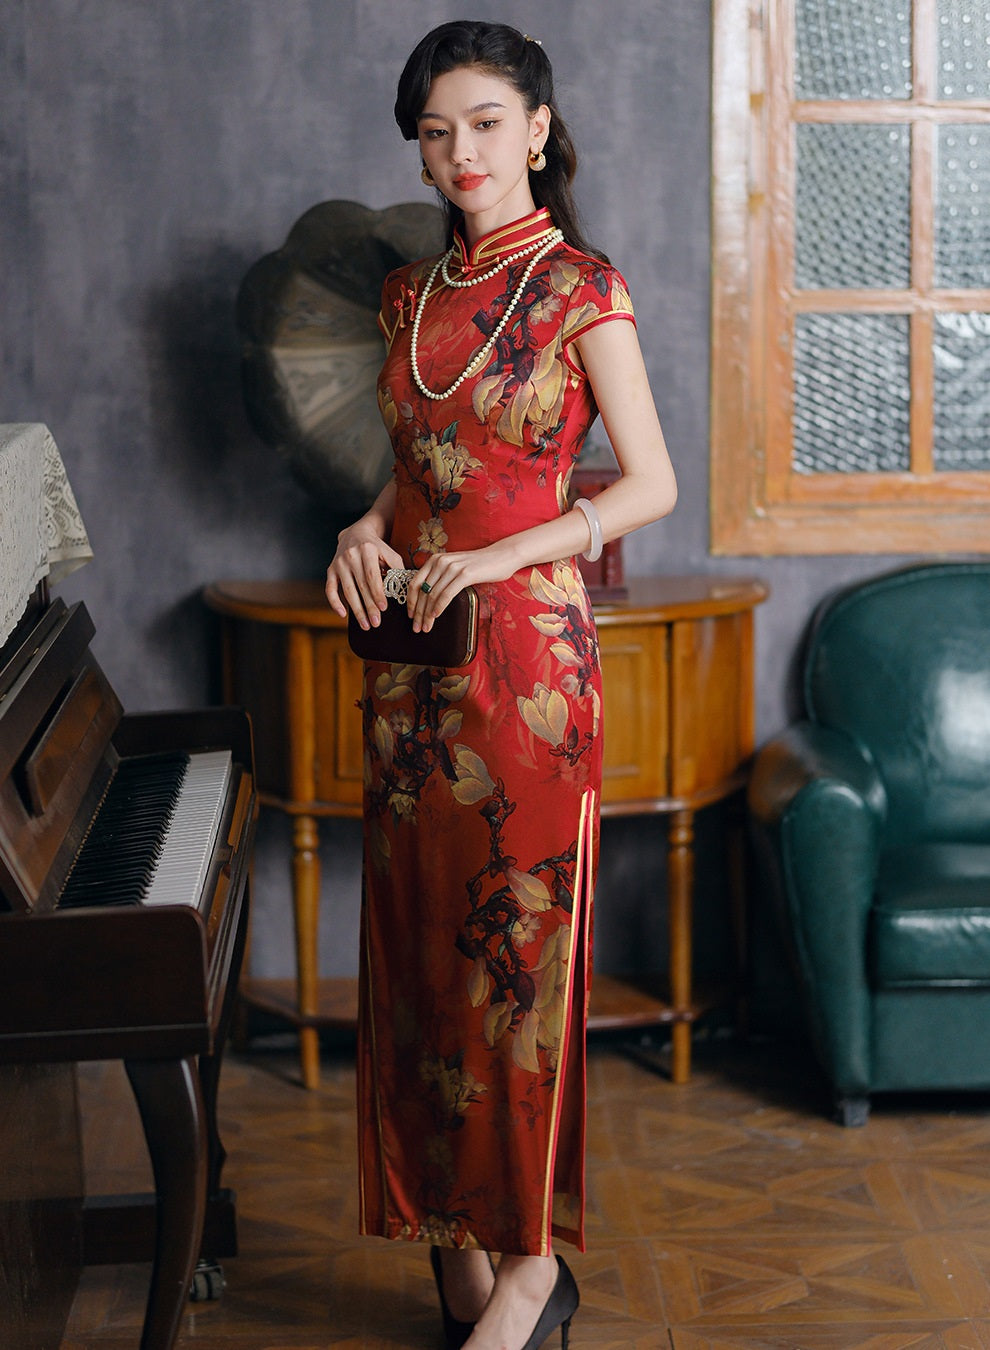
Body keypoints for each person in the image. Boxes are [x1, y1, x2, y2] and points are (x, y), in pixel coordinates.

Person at [325, 20, 676, 1350]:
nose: (457, 151)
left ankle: (530, 1268)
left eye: (482, 122)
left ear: (535, 128)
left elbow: (648, 483)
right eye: (433, 129)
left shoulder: (583, 288)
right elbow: (419, 464)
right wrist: (366, 531)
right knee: (421, 970)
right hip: (412, 679)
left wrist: (512, 547)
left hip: (529, 675)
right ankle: (457, 1243)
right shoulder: (408, 300)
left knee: (514, 978)